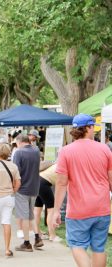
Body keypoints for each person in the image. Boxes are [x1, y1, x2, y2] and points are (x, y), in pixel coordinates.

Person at [52, 114, 112, 267]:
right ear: (88, 127)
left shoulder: (66, 151)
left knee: (77, 245)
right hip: (102, 208)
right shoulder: (104, 149)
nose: (94, 131)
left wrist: (56, 210)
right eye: (93, 127)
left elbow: (61, 183)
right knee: (99, 248)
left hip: (79, 209)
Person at [13, 134, 41, 252]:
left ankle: (26, 243)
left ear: (20, 142)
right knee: (30, 214)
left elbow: (15, 171)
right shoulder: (36, 150)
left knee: (24, 216)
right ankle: (37, 237)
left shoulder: (19, 153)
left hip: (22, 188)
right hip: (34, 187)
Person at [33, 162, 62, 242]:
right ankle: (52, 236)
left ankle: (38, 234)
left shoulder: (58, 164)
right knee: (51, 210)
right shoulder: (65, 166)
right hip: (44, 184)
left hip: (37, 181)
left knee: (37, 210)